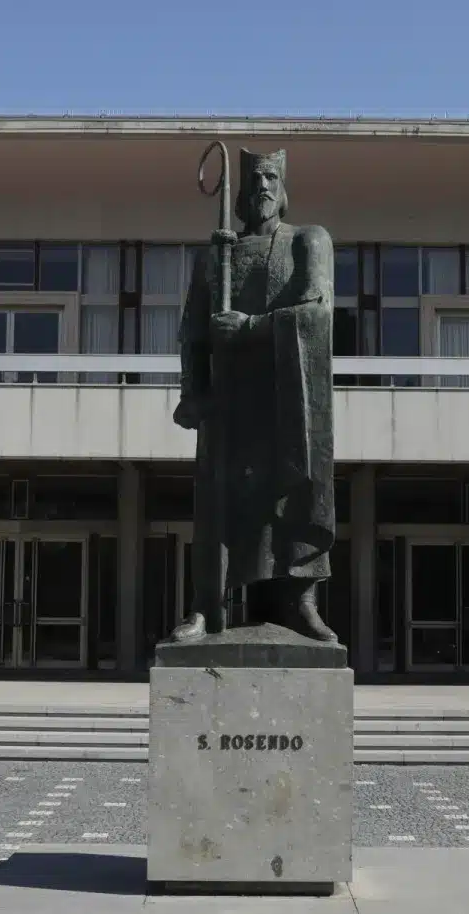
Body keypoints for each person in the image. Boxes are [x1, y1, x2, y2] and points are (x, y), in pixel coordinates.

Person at [170, 147, 337, 643]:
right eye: (253, 180)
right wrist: (192, 391)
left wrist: (250, 327)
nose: (261, 186)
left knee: (293, 497)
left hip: (291, 398)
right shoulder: (217, 255)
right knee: (219, 502)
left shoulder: (309, 240)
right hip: (230, 400)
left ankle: (298, 601)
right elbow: (192, 333)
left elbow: (317, 313)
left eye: (270, 178)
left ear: (282, 189)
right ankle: (205, 606)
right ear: (240, 195)